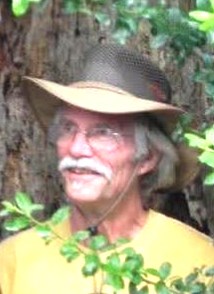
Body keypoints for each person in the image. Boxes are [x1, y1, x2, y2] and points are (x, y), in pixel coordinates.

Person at [0, 44, 213, 294]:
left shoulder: (200, 262)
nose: (77, 148)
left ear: (148, 158)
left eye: (103, 133)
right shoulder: (13, 262)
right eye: (68, 128)